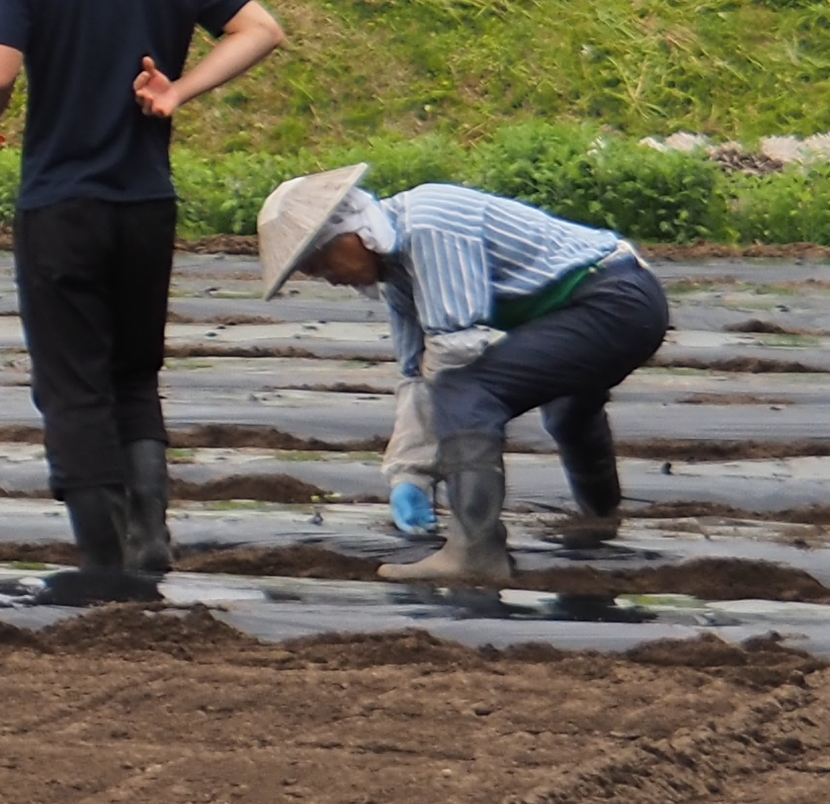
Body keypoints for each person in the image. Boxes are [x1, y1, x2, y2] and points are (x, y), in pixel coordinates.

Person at [0, 0, 288, 603]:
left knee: (71, 384)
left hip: (62, 204)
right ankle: (151, 532)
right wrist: (177, 89)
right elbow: (262, 30)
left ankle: (101, 557)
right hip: (146, 206)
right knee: (135, 374)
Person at [259, 164, 667, 603]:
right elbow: (417, 372)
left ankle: (476, 550)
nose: (329, 277)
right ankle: (600, 520)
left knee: (468, 388)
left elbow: (454, 355)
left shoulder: (430, 224)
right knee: (568, 410)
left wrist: (423, 456)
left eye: (322, 263)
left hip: (615, 300)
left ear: (352, 233)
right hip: (603, 305)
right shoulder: (397, 272)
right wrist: (408, 473)